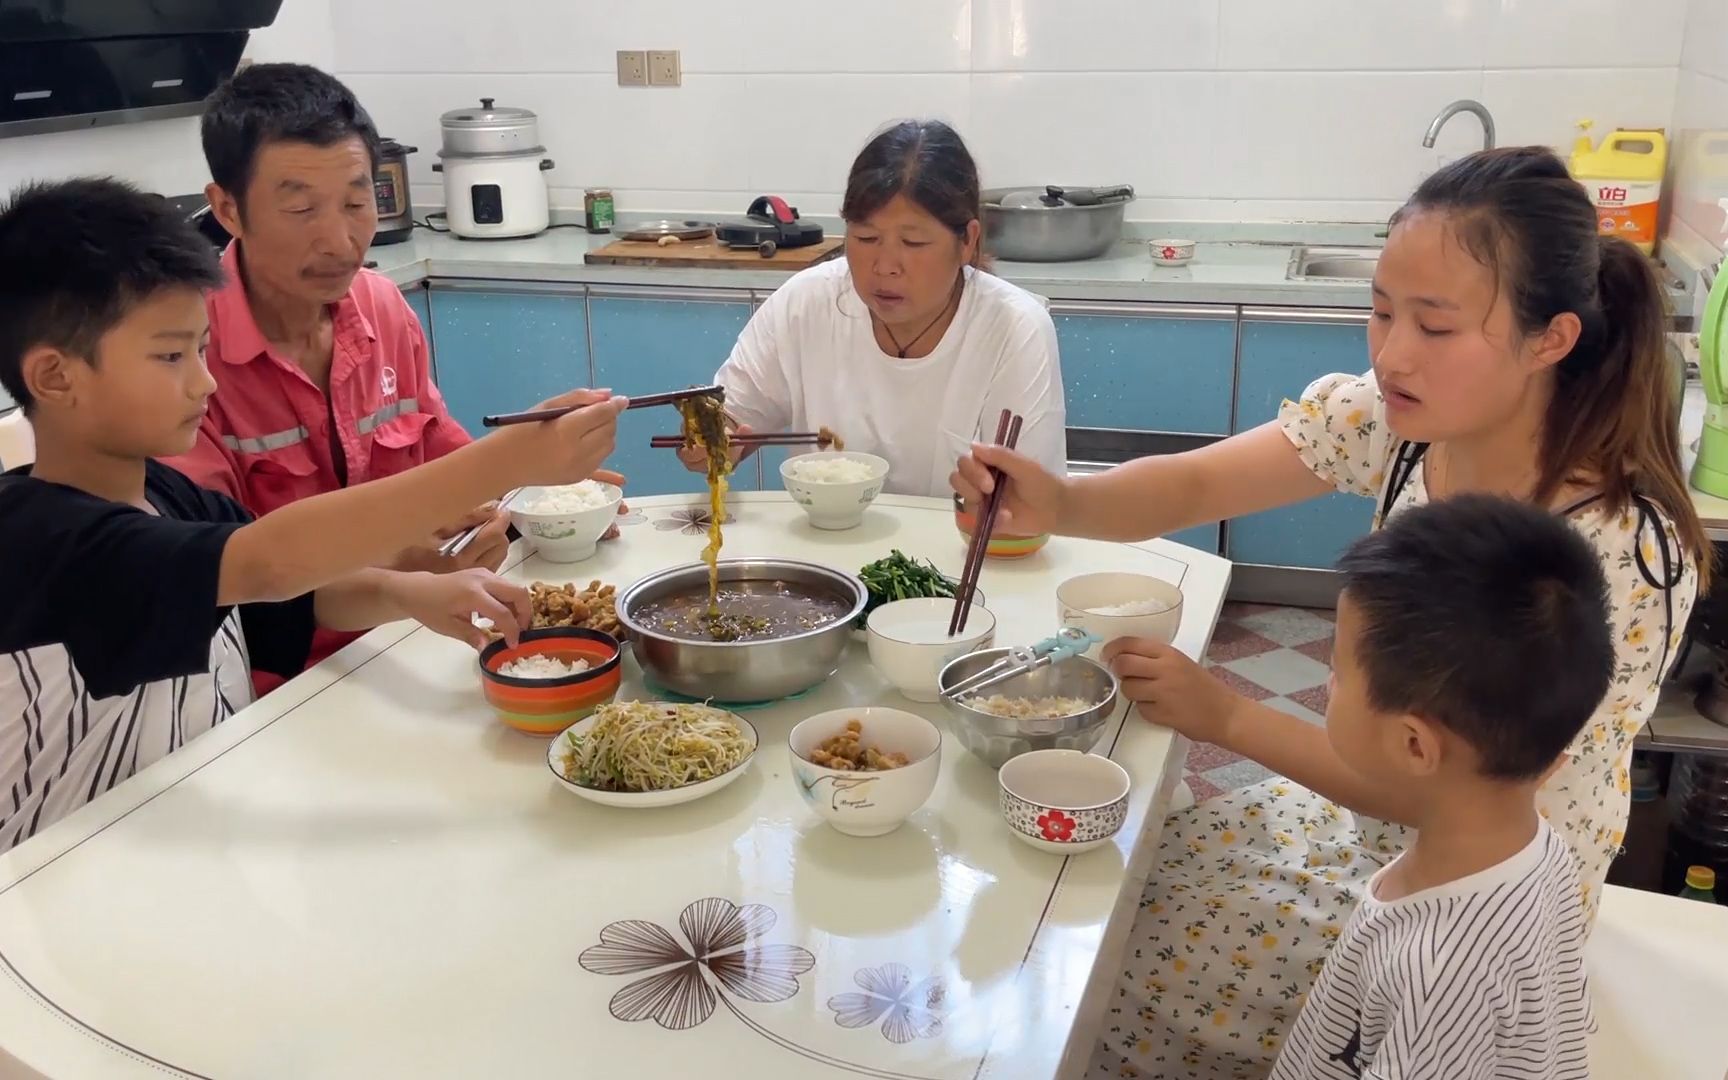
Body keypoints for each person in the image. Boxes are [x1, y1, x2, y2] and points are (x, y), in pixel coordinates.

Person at [952, 146, 1708, 1077]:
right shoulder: (1400, 425)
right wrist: (1059, 502)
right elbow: (1193, 482)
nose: (1391, 354)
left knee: (1118, 962)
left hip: (1478, 884)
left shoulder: (1612, 557)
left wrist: (1225, 713)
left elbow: (1450, 790)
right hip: (1371, 814)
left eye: (1434, 326)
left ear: (1549, 338)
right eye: (1382, 311)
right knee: (1126, 877)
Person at [0, 177, 625, 850]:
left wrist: (407, 592)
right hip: (55, 881)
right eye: (171, 356)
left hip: (188, 833)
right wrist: (508, 462)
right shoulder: (38, 540)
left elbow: (286, 600)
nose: (204, 381)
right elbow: (268, 564)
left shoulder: (166, 498)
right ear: (55, 376)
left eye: (203, 349)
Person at [160, 63, 623, 690]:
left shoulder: (379, 308)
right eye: (300, 208)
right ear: (228, 209)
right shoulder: (182, 358)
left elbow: (449, 469)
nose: (339, 240)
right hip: (277, 688)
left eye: (357, 202)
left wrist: (521, 506)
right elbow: (224, 582)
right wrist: (408, 560)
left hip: (412, 646)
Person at [1268, 495, 1606, 1080]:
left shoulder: (1440, 972)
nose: (1327, 682)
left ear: (1415, 746)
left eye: (1340, 671)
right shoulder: (1537, 850)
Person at [688, 119, 1067, 498]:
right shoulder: (806, 303)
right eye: (866, 237)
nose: (885, 265)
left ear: (967, 242)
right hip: (822, 549)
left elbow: (1031, 505)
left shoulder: (1013, 329)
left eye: (913, 242)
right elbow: (733, 419)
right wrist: (714, 443)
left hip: (957, 553)